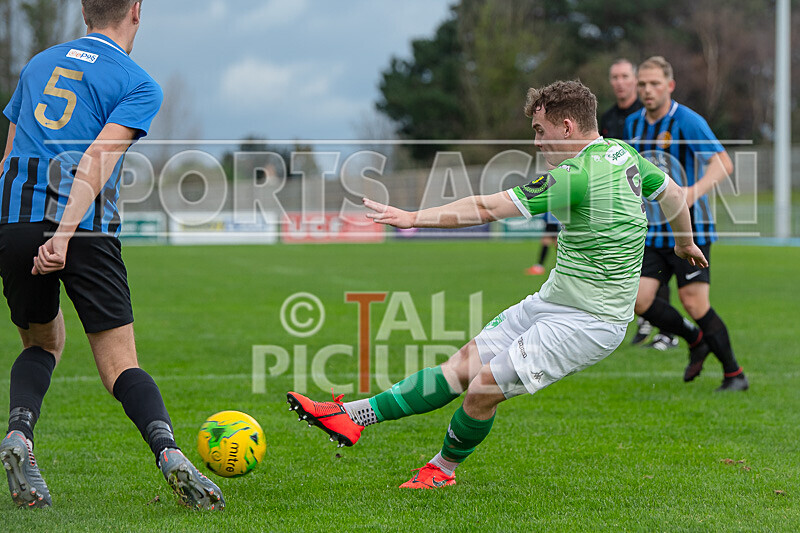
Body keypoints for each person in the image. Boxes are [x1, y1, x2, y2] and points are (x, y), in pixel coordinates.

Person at [287, 80, 707, 489]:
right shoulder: (623, 154)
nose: (538, 144)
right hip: (554, 300)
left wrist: (414, 218)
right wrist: (684, 240)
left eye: (540, 133)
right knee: (459, 369)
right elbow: (672, 195)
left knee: (481, 390)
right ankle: (351, 416)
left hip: (591, 322)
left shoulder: (575, 175)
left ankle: (441, 469)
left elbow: (488, 207)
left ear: (567, 127)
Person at [0, 0, 223, 509]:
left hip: (14, 221)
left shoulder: (38, 64)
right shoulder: (137, 82)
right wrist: (63, 233)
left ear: (84, 10)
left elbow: (9, 159)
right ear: (137, 11)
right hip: (86, 229)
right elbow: (97, 159)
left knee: (41, 343)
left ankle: (20, 437)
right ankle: (167, 452)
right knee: (120, 365)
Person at [625, 56, 748, 391]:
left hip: (691, 229)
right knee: (639, 300)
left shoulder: (687, 121)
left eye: (654, 84)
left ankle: (734, 374)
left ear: (670, 86)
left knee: (694, 303)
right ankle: (695, 340)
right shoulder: (634, 124)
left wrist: (692, 192)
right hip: (652, 231)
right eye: (642, 84)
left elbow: (723, 163)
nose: (647, 90)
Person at [600, 58, 677, 351]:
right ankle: (646, 317)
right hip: (623, 200)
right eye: (614, 76)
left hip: (656, 204)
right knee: (634, 261)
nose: (620, 82)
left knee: (658, 261)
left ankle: (662, 327)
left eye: (625, 76)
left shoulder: (648, 114)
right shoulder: (608, 119)